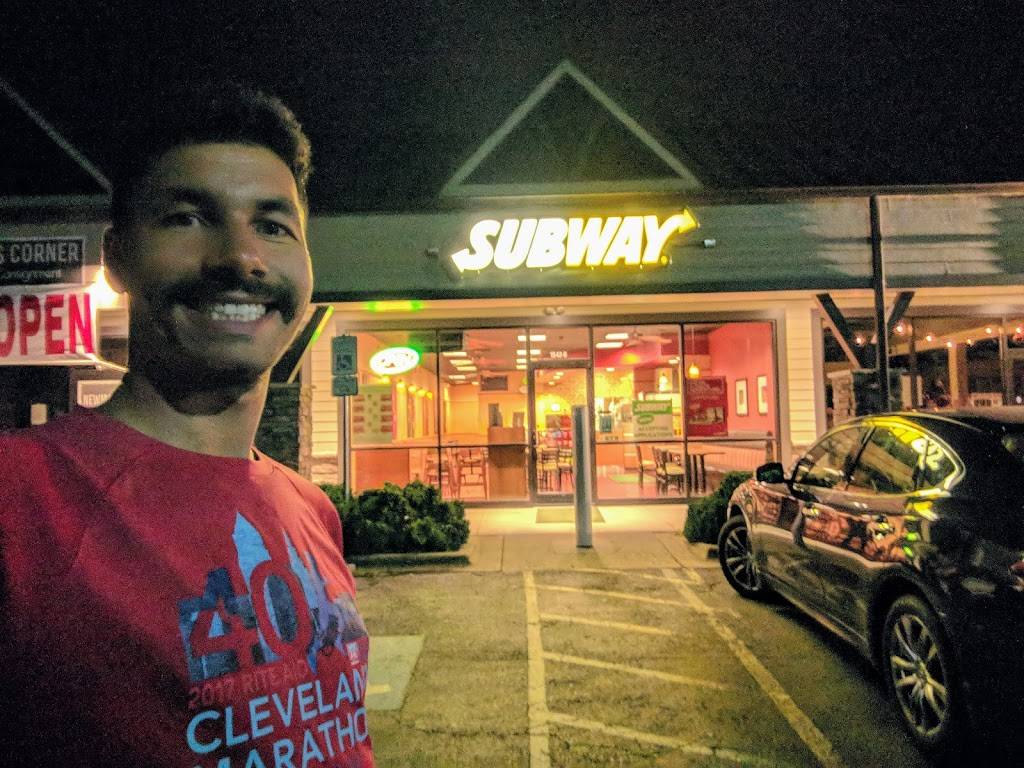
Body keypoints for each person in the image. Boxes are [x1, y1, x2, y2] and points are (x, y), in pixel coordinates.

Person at [0, 84, 375, 767]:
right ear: (117, 258)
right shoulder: (21, 498)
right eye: (188, 217)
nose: (241, 257)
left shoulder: (312, 510)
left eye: (273, 226)